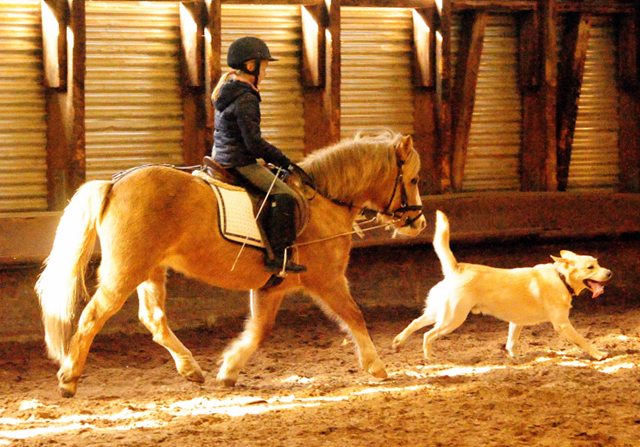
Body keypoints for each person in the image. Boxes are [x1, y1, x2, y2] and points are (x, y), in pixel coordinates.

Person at [211, 36, 307, 274]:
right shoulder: (245, 98)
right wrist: (284, 161)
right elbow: (253, 144)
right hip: (238, 161)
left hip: (221, 155)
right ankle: (278, 259)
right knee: (285, 194)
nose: (265, 73)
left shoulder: (227, 89)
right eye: (263, 67)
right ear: (251, 67)